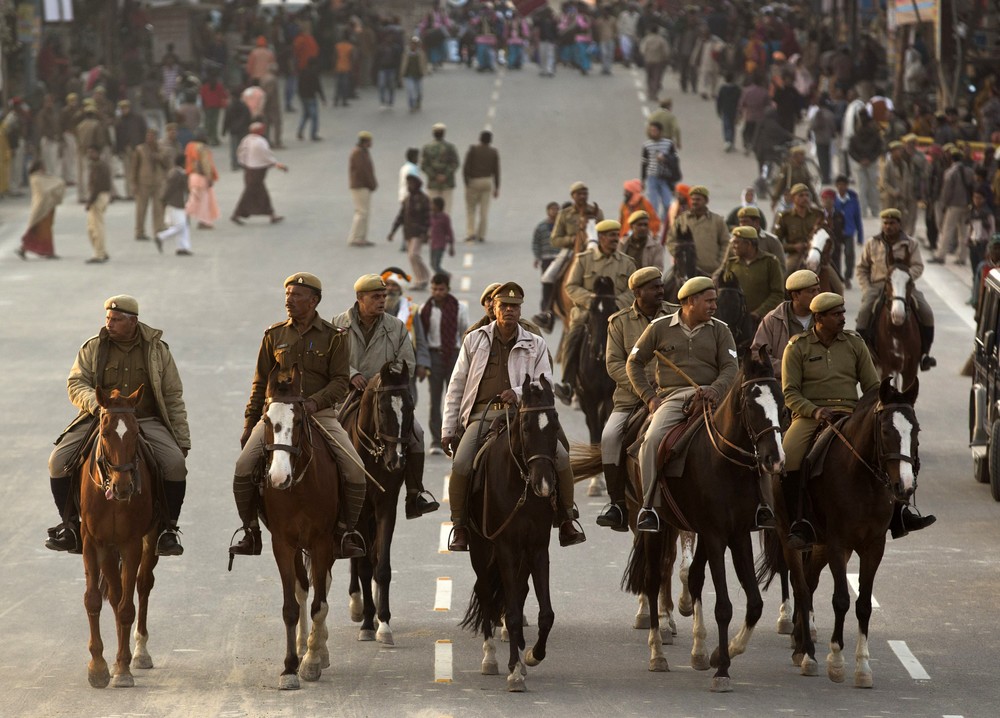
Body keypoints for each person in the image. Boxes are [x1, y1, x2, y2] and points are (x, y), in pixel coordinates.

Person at [781, 291, 935, 550]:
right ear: (818, 317)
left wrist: (874, 410)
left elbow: (873, 386)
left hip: (852, 411)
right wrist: (814, 411)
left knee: (889, 447)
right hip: (811, 415)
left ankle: (899, 514)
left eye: (843, 312)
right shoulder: (797, 346)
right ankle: (799, 522)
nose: (843, 318)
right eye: (836, 314)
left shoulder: (854, 342)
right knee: (789, 456)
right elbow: (790, 392)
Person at [230, 273, 366, 560]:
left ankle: (344, 532)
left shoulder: (333, 337)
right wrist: (249, 422)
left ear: (314, 301)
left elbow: (340, 381)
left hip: (320, 414)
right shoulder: (274, 335)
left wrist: (315, 404)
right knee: (243, 466)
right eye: (287, 294)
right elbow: (259, 384)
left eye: (296, 295)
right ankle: (251, 531)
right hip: (278, 414)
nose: (288, 300)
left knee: (355, 470)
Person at [442, 282, 586, 551]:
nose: (509, 310)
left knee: (561, 455)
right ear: (493, 309)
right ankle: (460, 526)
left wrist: (518, 393)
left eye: (514, 306)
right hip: (481, 416)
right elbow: (456, 386)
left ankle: (566, 519)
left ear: (521, 310)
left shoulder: (536, 343)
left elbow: (546, 383)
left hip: (525, 415)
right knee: (461, 464)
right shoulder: (474, 340)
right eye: (504, 306)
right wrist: (448, 430)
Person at [46, 295, 190, 555]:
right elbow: (76, 383)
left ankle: (168, 529)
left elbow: (172, 395)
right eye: (108, 318)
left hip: (143, 419)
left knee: (175, 464)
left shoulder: (157, 350)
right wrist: (98, 405)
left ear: (133, 321)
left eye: (116, 319)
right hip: (100, 418)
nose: (109, 324)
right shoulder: (93, 347)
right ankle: (69, 525)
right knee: (58, 461)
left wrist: (182, 439)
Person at [627, 277, 749, 532]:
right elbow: (633, 363)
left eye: (714, 300)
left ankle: (760, 506)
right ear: (690, 302)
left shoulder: (721, 329)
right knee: (651, 441)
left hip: (714, 398)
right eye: (709, 301)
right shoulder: (659, 327)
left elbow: (730, 367)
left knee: (755, 435)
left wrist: (715, 389)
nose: (714, 306)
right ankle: (650, 507)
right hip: (674, 398)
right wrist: (650, 397)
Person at [332, 274, 439, 520]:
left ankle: (415, 495)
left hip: (386, 399)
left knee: (417, 434)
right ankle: (329, 496)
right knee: (325, 437)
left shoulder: (396, 326)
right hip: (347, 396)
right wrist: (351, 374)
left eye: (384, 296)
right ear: (360, 298)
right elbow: (331, 361)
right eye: (376, 296)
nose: (382, 300)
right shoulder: (338, 324)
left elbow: (408, 364)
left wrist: (378, 381)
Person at [598, 267, 676, 530]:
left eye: (661, 285)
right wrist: (644, 387)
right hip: (631, 398)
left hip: (674, 393)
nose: (661, 290)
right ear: (637, 292)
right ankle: (617, 504)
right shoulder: (619, 322)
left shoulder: (676, 315)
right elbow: (614, 364)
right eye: (654, 287)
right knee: (610, 436)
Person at [554, 219, 637, 404]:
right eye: (611, 236)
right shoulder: (584, 260)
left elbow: (633, 291)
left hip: (618, 316)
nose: (615, 239)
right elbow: (571, 286)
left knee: (638, 343)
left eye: (617, 235)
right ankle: (567, 383)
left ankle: (639, 384)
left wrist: (616, 303)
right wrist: (591, 300)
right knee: (572, 337)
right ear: (600, 237)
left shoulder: (627, 263)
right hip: (587, 315)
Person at [855, 208, 937, 371]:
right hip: (878, 285)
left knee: (926, 311)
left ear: (899, 224)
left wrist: (904, 277)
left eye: (892, 223)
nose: (888, 226)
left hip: (904, 286)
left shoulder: (910, 243)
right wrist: (866, 289)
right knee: (864, 313)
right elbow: (862, 268)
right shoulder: (873, 243)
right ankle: (862, 355)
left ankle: (924, 355)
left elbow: (918, 266)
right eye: (885, 223)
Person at [533, 181, 604, 332]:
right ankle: (548, 313)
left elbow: (604, 232)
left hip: (595, 251)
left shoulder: (596, 212)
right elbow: (555, 239)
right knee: (548, 277)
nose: (583, 196)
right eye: (579, 193)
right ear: (573, 196)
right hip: (571, 251)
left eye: (585, 193)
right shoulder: (565, 214)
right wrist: (573, 239)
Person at [421, 274, 469, 454]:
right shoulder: (425, 310)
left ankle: (456, 437)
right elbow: (422, 337)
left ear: (448, 289)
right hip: (434, 357)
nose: (437, 292)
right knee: (434, 400)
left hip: (454, 357)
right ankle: (435, 440)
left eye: (441, 289)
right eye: (434, 289)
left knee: (455, 398)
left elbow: (465, 333)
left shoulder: (459, 308)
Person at [750, 269, 821, 379]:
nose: (817, 295)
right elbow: (757, 355)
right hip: (782, 386)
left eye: (818, 290)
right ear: (795, 296)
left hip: (818, 384)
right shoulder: (774, 319)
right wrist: (791, 368)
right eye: (811, 291)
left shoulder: (825, 318)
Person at [716, 225, 784, 327]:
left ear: (748, 244)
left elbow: (777, 294)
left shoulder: (770, 262)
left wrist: (759, 313)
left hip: (763, 322)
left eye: (736, 242)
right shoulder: (731, 263)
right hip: (736, 323)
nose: (733, 246)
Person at [665, 185, 729, 275]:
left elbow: (726, 243)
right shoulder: (682, 219)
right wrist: (680, 255)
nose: (694, 202)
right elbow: (671, 240)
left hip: (711, 272)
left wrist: (720, 263)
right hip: (686, 271)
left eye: (698, 199)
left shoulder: (717, 221)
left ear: (706, 201)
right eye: (693, 199)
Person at [232, 122, 287, 225]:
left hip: (249, 169)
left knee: (261, 193)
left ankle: (271, 214)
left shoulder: (246, 139)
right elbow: (267, 155)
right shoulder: (261, 142)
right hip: (258, 171)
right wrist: (277, 164)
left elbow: (240, 152)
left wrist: (244, 162)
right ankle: (236, 214)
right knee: (250, 193)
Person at [388, 174, 432, 290]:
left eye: (411, 183)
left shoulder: (423, 199)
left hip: (419, 233)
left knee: (414, 255)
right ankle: (423, 277)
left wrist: (426, 232)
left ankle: (421, 279)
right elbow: (401, 216)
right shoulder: (407, 200)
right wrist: (393, 231)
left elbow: (428, 217)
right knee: (411, 256)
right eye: (408, 184)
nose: (409, 186)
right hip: (408, 232)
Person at [933, 148, 975, 265]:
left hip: (953, 206)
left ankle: (941, 255)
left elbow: (946, 191)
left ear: (951, 159)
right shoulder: (969, 171)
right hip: (966, 205)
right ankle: (962, 257)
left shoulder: (950, 172)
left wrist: (943, 204)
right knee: (964, 233)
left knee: (947, 231)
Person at [773, 183, 824, 274]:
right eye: (801, 195)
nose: (805, 198)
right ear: (792, 198)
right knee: (785, 276)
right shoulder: (785, 217)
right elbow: (776, 242)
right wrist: (793, 247)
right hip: (795, 255)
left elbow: (826, 237)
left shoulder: (818, 214)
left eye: (807, 195)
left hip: (817, 254)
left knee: (837, 286)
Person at [462, 130, 500, 243]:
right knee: (484, 210)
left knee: (471, 209)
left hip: (474, 181)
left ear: (480, 138)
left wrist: (466, 182)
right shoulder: (493, 152)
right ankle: (481, 234)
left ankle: (470, 233)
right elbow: (496, 171)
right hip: (487, 181)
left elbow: (466, 167)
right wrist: (497, 187)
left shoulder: (473, 150)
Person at [131, 128, 167, 241]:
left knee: (158, 209)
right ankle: (139, 231)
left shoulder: (161, 149)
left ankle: (158, 230)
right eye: (148, 136)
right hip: (143, 183)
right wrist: (134, 183)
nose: (150, 138)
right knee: (141, 209)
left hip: (158, 183)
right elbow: (134, 168)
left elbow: (166, 164)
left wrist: (158, 156)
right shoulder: (140, 149)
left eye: (152, 136)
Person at [156, 154, 192, 256]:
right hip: (175, 203)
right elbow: (168, 188)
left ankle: (182, 247)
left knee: (184, 226)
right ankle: (161, 236)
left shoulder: (180, 173)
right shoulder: (175, 174)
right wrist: (163, 199)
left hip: (180, 202)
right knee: (180, 225)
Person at [185, 130, 222, 229]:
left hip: (192, 176)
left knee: (193, 199)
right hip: (201, 178)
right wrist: (209, 177)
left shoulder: (190, 146)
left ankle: (182, 216)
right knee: (204, 201)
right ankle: (204, 221)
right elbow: (206, 164)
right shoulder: (203, 148)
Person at [420, 123, 460, 214]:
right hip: (447, 183)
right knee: (446, 211)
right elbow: (455, 163)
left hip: (433, 183)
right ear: (444, 133)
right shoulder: (450, 147)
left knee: (432, 210)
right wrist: (445, 175)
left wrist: (434, 176)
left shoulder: (427, 148)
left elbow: (424, 166)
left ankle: (434, 228)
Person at [641, 121, 677, 220]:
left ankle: (663, 222)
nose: (653, 132)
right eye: (651, 130)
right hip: (652, 177)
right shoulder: (647, 145)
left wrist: (665, 158)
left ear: (660, 131)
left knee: (668, 203)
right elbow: (644, 163)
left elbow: (675, 159)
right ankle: (654, 225)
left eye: (655, 130)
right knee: (653, 205)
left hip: (665, 177)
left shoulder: (668, 143)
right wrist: (643, 180)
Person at [348, 130, 377, 246]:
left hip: (364, 185)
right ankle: (355, 237)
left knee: (365, 212)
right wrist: (371, 183)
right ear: (365, 141)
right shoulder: (358, 153)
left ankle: (362, 237)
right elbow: (362, 171)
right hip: (360, 185)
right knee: (361, 212)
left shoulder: (363, 152)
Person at [115, 100, 147, 200]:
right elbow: (117, 137)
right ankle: (129, 193)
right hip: (126, 148)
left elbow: (144, 132)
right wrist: (119, 150)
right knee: (128, 171)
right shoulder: (119, 121)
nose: (124, 110)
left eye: (126, 108)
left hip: (137, 148)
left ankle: (139, 192)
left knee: (139, 171)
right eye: (122, 108)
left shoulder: (138, 119)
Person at [85, 145, 112, 264]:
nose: (89, 155)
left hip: (98, 197)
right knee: (94, 226)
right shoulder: (102, 165)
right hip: (102, 196)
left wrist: (90, 201)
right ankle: (102, 251)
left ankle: (99, 254)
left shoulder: (98, 166)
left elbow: (96, 186)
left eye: (91, 152)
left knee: (96, 227)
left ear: (97, 153)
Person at [879, 141, 914, 216]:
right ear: (892, 152)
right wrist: (893, 192)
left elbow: (907, 180)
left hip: (902, 197)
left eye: (900, 150)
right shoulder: (888, 165)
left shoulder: (904, 165)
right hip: (890, 198)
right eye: (897, 150)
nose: (899, 152)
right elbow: (885, 182)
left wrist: (906, 194)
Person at [296, 57, 325, 142]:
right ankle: (313, 134)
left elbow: (299, 84)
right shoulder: (314, 73)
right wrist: (322, 98)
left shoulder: (303, 72)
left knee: (305, 114)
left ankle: (300, 131)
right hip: (311, 97)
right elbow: (318, 86)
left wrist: (300, 94)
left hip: (303, 96)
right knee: (314, 116)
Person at [222, 92, 251, 172]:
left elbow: (226, 119)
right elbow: (248, 117)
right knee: (243, 147)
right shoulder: (244, 106)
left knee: (234, 148)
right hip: (243, 129)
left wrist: (224, 130)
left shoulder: (230, 106)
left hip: (233, 130)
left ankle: (234, 164)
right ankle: (242, 162)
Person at [199, 71, 229, 146]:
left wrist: (202, 106)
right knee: (214, 123)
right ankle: (214, 139)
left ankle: (207, 138)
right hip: (216, 106)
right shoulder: (219, 86)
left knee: (207, 123)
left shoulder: (205, 87)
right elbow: (224, 95)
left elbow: (201, 96)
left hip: (207, 106)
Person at [400, 36, 429, 113]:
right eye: (412, 44)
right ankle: (411, 106)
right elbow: (403, 64)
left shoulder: (421, 54)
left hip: (418, 75)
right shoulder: (406, 54)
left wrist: (425, 71)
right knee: (410, 91)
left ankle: (418, 102)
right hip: (409, 75)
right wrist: (401, 73)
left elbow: (424, 63)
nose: (413, 46)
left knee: (419, 91)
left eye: (415, 44)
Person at [428, 196, 455, 276]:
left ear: (438, 206)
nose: (431, 206)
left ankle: (446, 275)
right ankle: (442, 277)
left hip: (440, 245)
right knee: (432, 265)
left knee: (436, 266)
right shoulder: (431, 216)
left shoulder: (445, 218)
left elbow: (449, 231)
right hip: (433, 244)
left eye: (433, 205)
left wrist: (451, 245)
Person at [532, 201, 561, 273]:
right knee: (546, 279)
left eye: (557, 209)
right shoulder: (541, 227)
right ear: (548, 211)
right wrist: (537, 257)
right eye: (553, 209)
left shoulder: (563, 227)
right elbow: (536, 243)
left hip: (560, 258)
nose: (555, 211)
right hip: (546, 258)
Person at [59, 92, 81, 185]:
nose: (73, 102)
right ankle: (67, 178)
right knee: (67, 157)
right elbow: (61, 124)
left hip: (75, 135)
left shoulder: (78, 111)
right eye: (71, 100)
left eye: (74, 100)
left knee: (74, 157)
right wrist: (62, 137)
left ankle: (72, 177)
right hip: (67, 134)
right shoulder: (65, 111)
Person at [716, 72, 741, 152]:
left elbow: (719, 100)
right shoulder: (737, 89)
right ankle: (731, 143)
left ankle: (727, 141)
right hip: (734, 110)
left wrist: (718, 110)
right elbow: (740, 101)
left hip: (725, 110)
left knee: (726, 126)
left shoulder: (722, 89)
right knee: (733, 127)